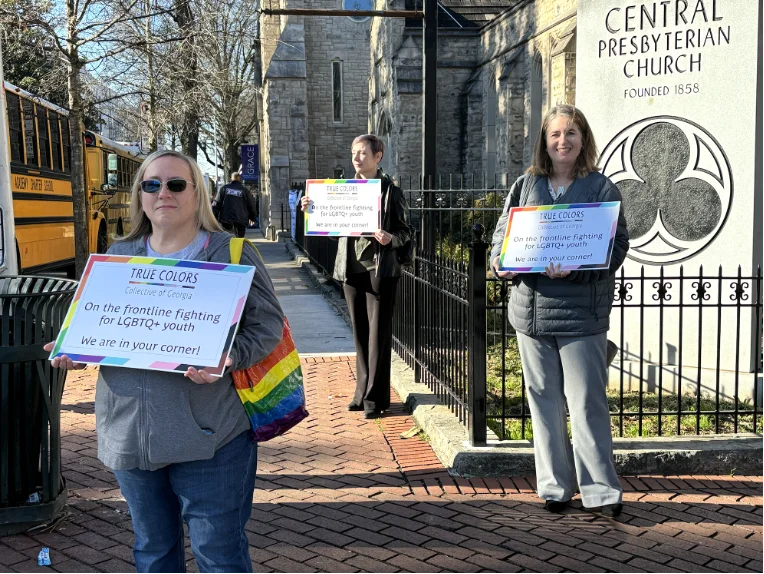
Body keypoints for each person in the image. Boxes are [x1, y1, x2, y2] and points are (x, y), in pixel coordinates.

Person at [45, 150, 284, 573]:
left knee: (219, 555)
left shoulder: (230, 253)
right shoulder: (116, 256)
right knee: (152, 551)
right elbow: (98, 327)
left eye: (176, 184)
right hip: (131, 434)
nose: (162, 194)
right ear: (140, 195)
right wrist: (74, 351)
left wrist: (229, 358)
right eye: (151, 184)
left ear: (198, 194)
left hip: (211, 437)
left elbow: (266, 328)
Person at [490, 105, 629, 517]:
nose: (562, 141)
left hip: (581, 316)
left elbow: (616, 248)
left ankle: (601, 490)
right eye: (555, 134)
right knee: (543, 401)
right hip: (531, 314)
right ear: (544, 141)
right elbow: (504, 234)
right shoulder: (526, 184)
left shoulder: (602, 190)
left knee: (586, 402)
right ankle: (554, 487)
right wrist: (499, 262)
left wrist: (576, 268)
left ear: (583, 139)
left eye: (571, 133)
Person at [301, 134, 411, 418]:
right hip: (350, 267)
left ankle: (376, 399)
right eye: (353, 152)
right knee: (360, 333)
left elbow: (407, 232)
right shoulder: (342, 189)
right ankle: (361, 392)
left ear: (378, 156)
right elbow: (329, 224)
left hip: (379, 268)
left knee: (378, 335)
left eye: (363, 153)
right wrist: (311, 210)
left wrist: (390, 239)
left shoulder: (390, 191)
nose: (357, 157)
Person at [212, 171, 258, 237]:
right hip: (241, 221)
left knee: (227, 240)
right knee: (239, 241)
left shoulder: (224, 189)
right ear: (240, 179)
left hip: (226, 220)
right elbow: (251, 205)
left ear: (231, 179)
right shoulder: (244, 191)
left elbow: (216, 204)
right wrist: (252, 217)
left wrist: (214, 218)